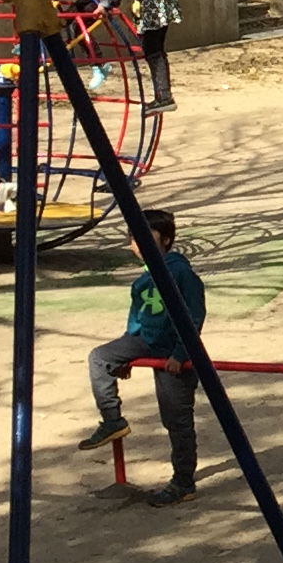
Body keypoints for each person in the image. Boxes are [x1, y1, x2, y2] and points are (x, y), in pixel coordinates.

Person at [76, 210, 209, 506]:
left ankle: (183, 482)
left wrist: (180, 353)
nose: (138, 244)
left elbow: (194, 315)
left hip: (175, 352)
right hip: (146, 343)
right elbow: (136, 319)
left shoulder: (181, 273)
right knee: (100, 358)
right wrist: (126, 353)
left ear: (167, 240)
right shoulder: (143, 280)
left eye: (146, 237)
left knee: (176, 420)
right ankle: (112, 419)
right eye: (134, 238)